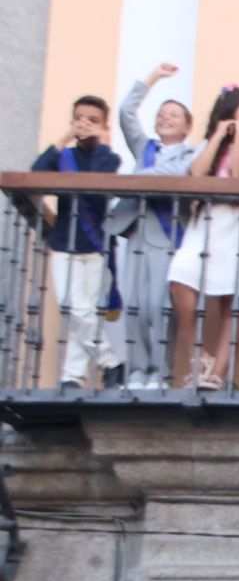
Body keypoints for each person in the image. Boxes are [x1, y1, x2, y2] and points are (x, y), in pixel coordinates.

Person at [167, 86, 239, 389]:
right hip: (206, 224)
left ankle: (217, 374)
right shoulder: (209, 143)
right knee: (180, 278)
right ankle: (199, 357)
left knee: (231, 303)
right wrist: (218, 135)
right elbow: (197, 174)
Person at [106, 63, 197, 388]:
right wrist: (153, 78)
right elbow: (126, 113)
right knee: (134, 306)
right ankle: (136, 371)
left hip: (167, 235)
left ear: (187, 126)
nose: (165, 118)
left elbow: (173, 176)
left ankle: (159, 372)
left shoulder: (191, 154)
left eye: (174, 115)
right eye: (161, 113)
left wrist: (132, 181)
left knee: (158, 308)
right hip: (137, 232)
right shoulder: (144, 147)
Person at [31, 94, 126, 390]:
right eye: (79, 118)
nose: (85, 124)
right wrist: (64, 138)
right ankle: (111, 361)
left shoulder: (109, 157)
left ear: (104, 125)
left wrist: (102, 141)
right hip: (65, 243)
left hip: (96, 245)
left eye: (93, 120)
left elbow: (98, 185)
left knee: (84, 311)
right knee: (73, 306)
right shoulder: (63, 157)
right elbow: (36, 174)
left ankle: (72, 377)